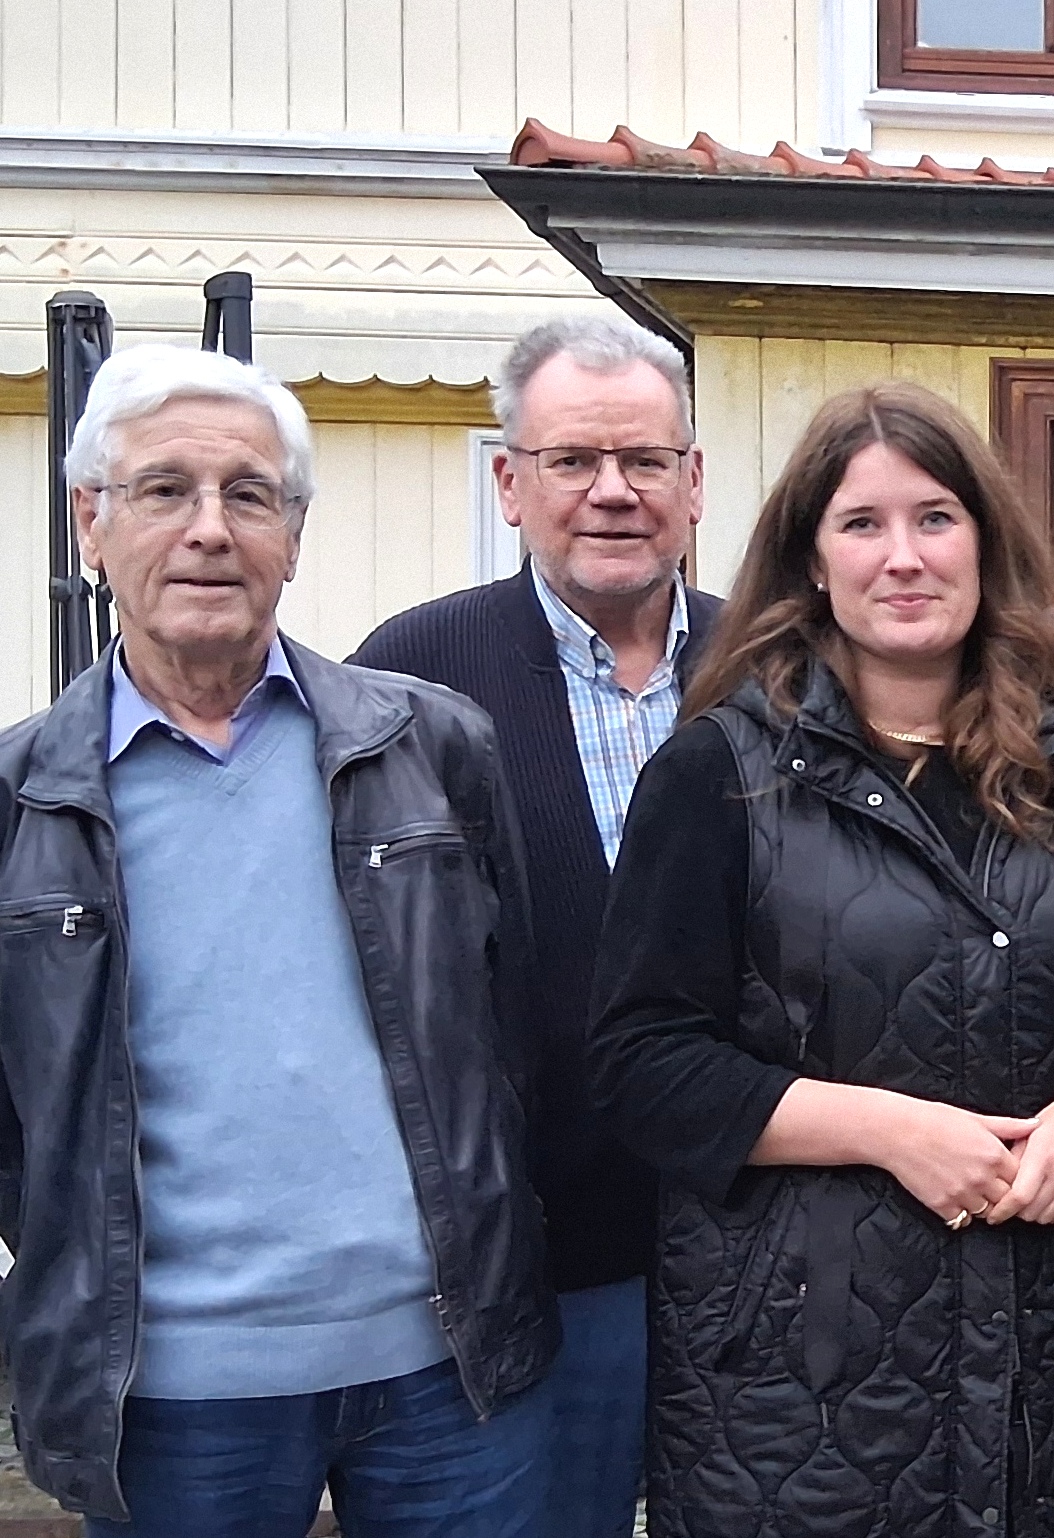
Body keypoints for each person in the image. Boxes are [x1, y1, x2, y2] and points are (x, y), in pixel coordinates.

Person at [0, 345, 557, 1535]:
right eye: (164, 490)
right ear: (92, 521)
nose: (210, 528)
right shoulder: (20, 798)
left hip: (447, 1370)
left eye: (249, 494)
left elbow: (511, 1024)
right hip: (169, 1394)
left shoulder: (431, 746)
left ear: (293, 536)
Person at [586, 382, 1054, 1537]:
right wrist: (893, 1130)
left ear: (984, 542)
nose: (904, 556)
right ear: (813, 558)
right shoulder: (720, 774)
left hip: (1050, 1364)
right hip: (800, 1387)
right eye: (863, 523)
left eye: (935, 517)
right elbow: (643, 1063)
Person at [351, 313, 719, 1538]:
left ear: (693, 482)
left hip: (758, 1246)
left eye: (644, 459)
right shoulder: (410, 679)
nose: (612, 490)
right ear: (511, 483)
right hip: (534, 1267)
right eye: (572, 460)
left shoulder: (774, 668)